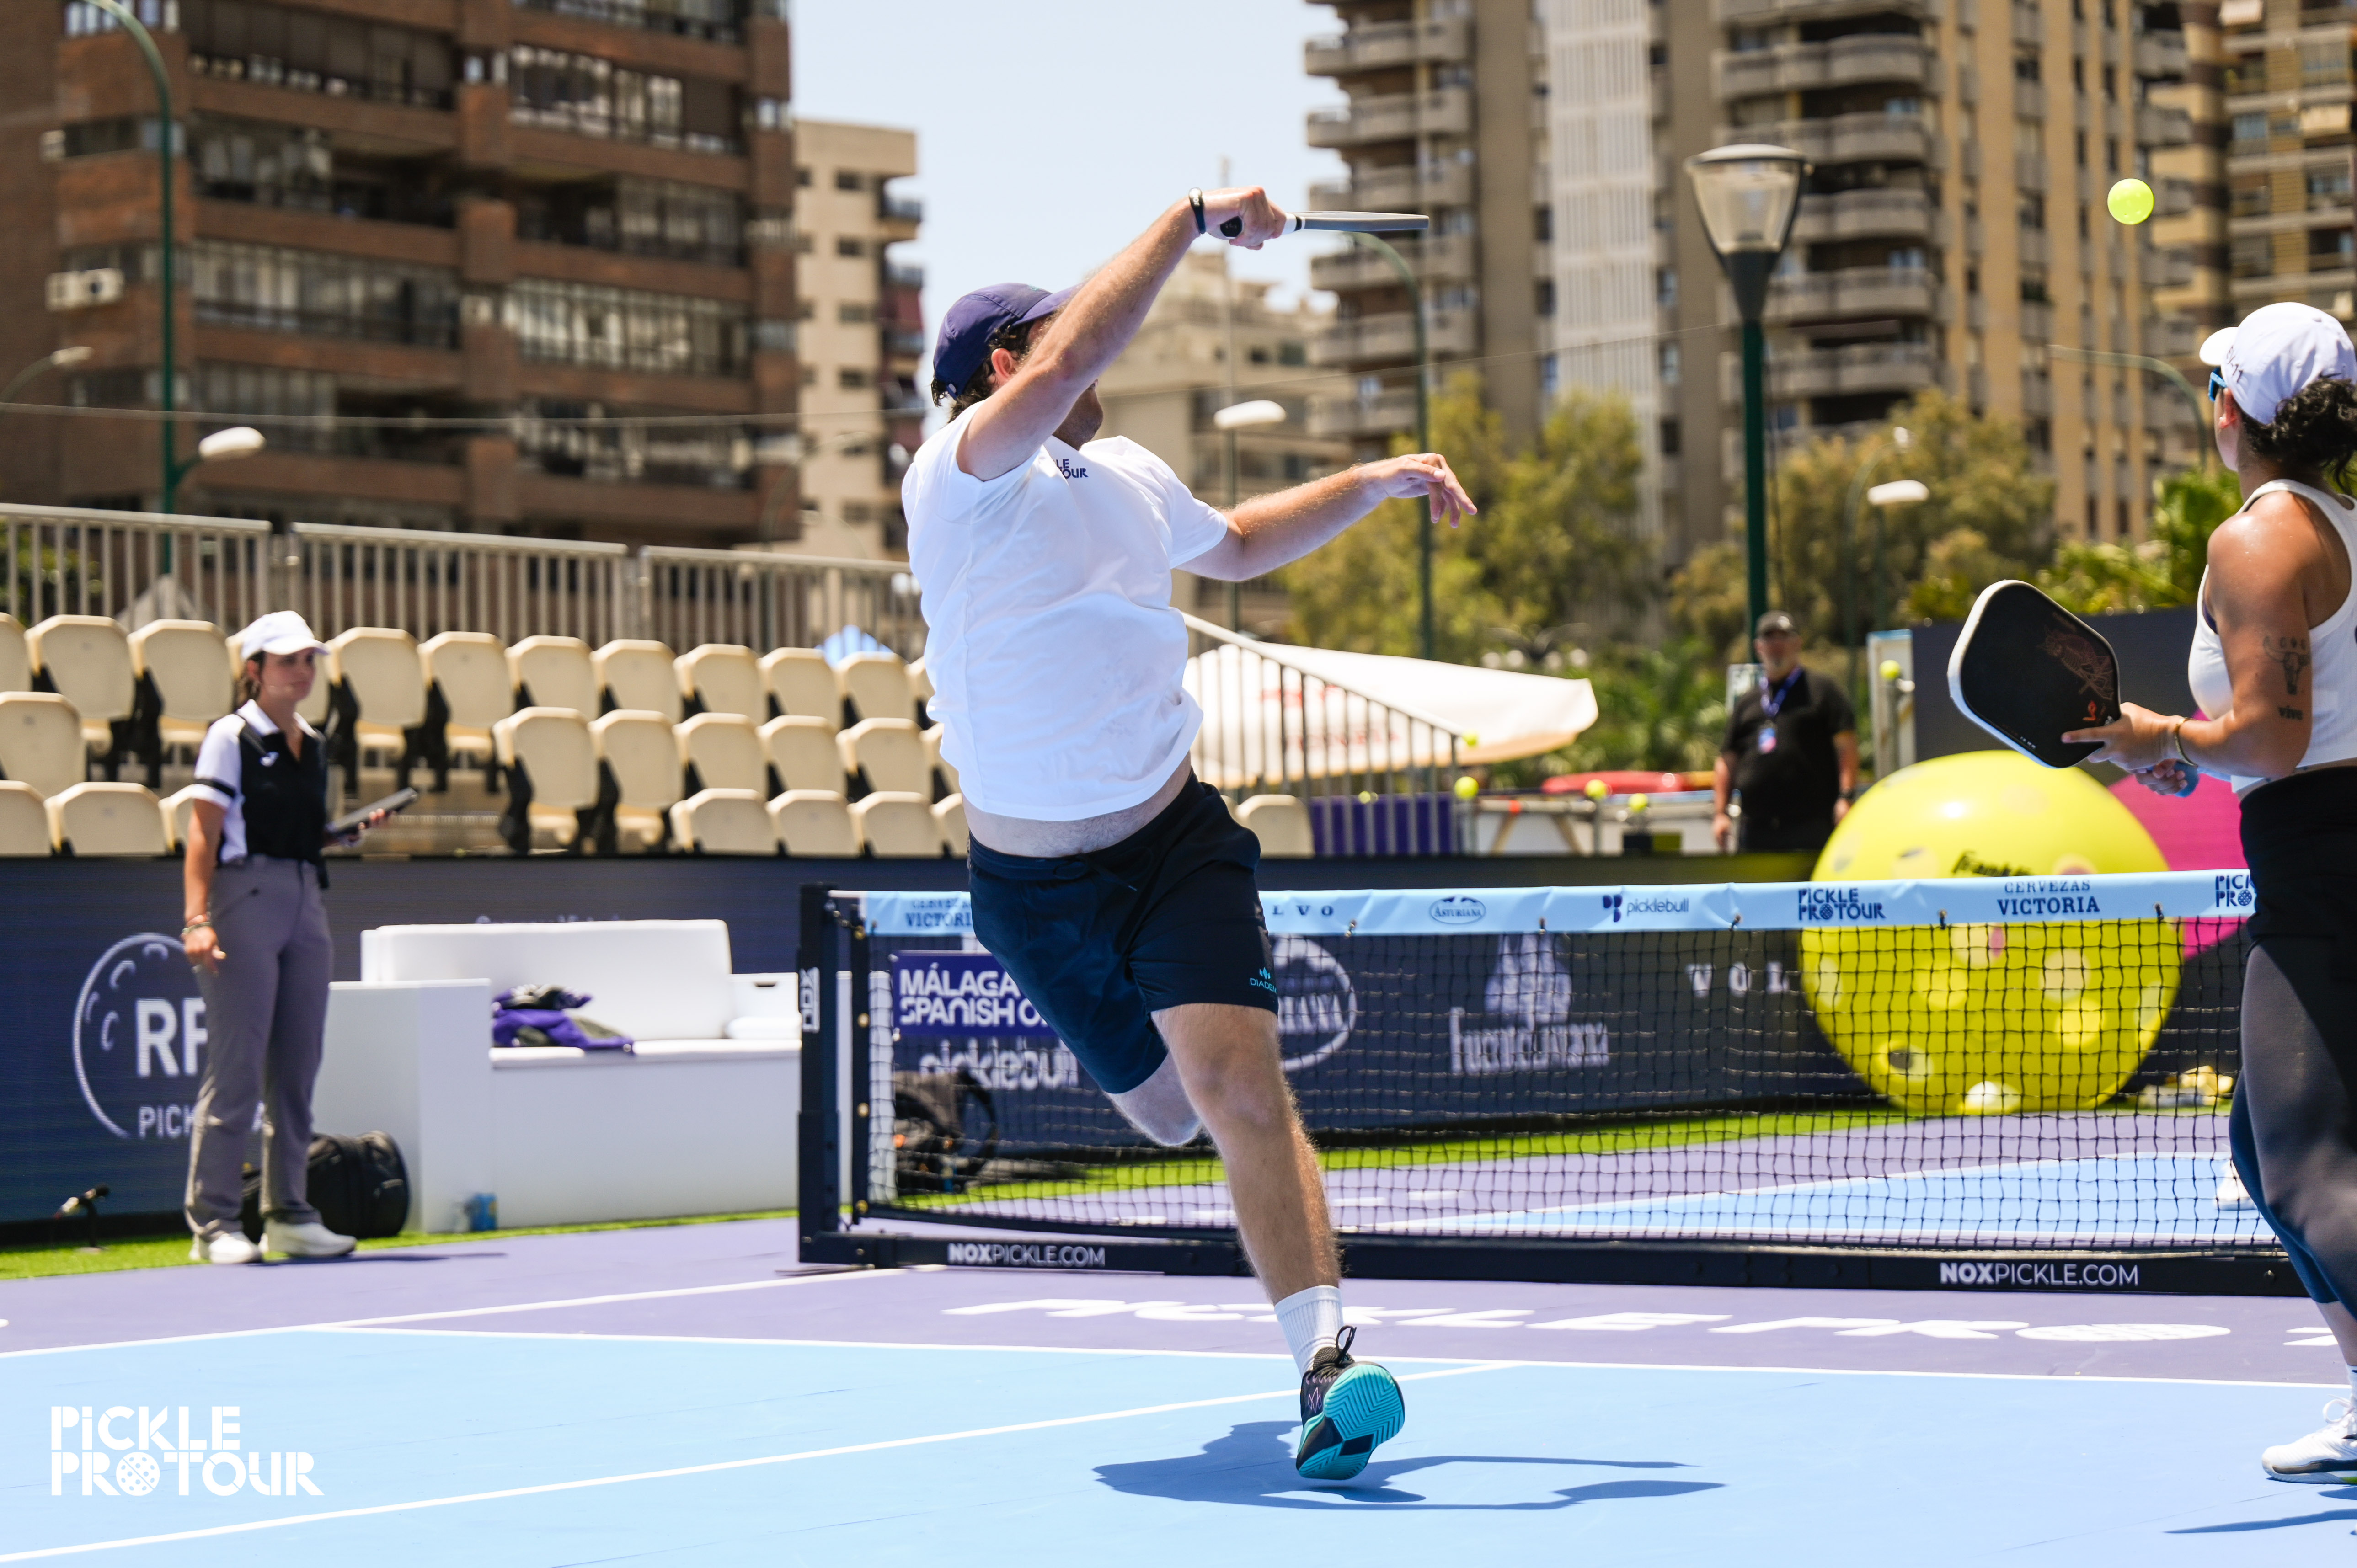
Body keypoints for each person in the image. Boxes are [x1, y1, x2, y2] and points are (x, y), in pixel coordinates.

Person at [901, 184, 1476, 1481]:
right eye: (1052, 343)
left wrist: (1377, 480)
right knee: (1168, 1113)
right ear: (1003, 367)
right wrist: (1193, 221)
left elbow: (1242, 543)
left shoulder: (1127, 474)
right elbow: (1069, 360)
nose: (1091, 361)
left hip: (1174, 840)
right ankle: (1285, 1291)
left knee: (1239, 1089)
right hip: (1034, 890)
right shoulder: (959, 477)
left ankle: (1325, 1365)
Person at [2066, 301, 2357, 1484]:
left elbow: (2273, 738)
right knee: (2261, 1141)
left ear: (2233, 411)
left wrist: (2160, 735)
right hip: (2330, 839)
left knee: (2303, 1170)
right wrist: (2188, 752)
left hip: (2323, 861)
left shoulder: (2256, 540)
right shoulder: (2342, 527)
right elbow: (2297, 728)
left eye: (2210, 387)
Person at [181, 612, 388, 1265]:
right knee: (238, 1069)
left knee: (297, 1068)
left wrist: (338, 835)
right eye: (287, 660)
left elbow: (294, 827)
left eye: (308, 660)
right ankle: (214, 1222)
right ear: (255, 670)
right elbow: (203, 830)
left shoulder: (315, 742)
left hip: (306, 898)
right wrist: (197, 918)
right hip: (243, 898)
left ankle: (290, 1213)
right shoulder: (230, 736)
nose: (302, 671)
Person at [1712, 610, 1859, 855]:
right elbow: (1727, 760)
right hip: (1756, 829)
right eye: (1769, 638)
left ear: (1798, 643)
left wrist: (1846, 798)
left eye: (1784, 637)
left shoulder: (1823, 690)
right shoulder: (1747, 702)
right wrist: (1720, 813)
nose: (1777, 645)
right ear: (1758, 647)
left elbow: (1847, 746)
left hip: (1810, 825)